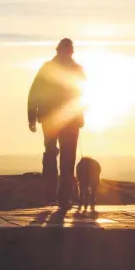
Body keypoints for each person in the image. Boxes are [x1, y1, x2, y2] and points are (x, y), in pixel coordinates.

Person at [27, 38, 85, 209]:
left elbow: (34, 93)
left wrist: (32, 117)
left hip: (60, 119)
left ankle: (56, 196)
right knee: (60, 157)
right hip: (59, 119)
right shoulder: (74, 70)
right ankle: (58, 197)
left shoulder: (49, 69)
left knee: (57, 156)